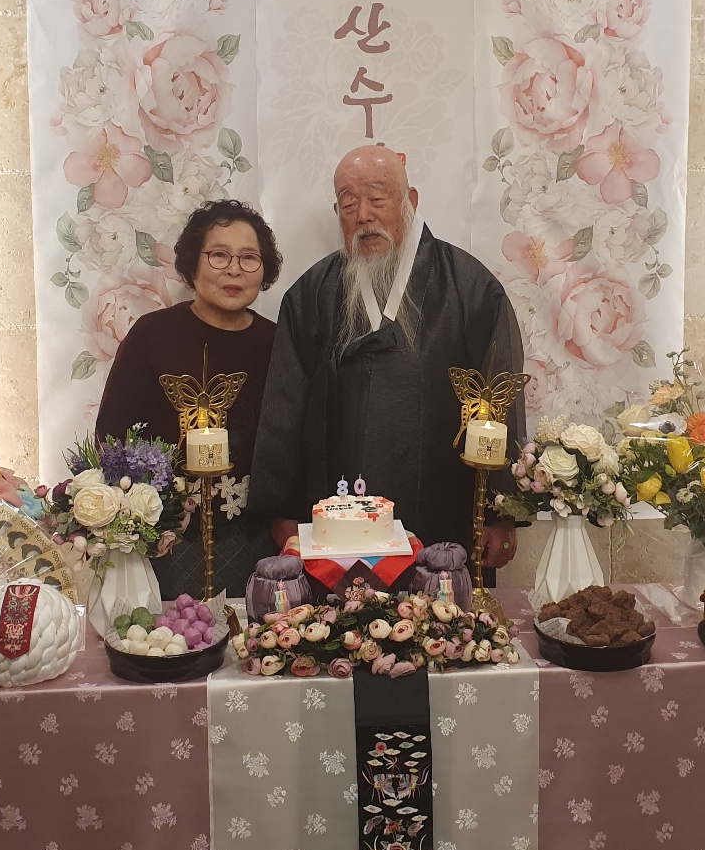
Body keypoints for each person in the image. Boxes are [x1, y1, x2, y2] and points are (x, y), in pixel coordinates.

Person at [248, 145, 525, 566]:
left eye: (377, 198)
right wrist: (282, 514)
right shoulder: (310, 295)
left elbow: (500, 398)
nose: (363, 215)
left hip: (445, 511)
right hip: (335, 519)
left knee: (443, 601)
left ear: (409, 201)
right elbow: (284, 409)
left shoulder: (470, 289)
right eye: (348, 204)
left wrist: (501, 514)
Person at [95, 198, 282, 599]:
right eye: (219, 255)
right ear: (192, 264)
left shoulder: (277, 343)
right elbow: (112, 434)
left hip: (251, 535)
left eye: (249, 258)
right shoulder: (152, 335)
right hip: (162, 533)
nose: (234, 269)